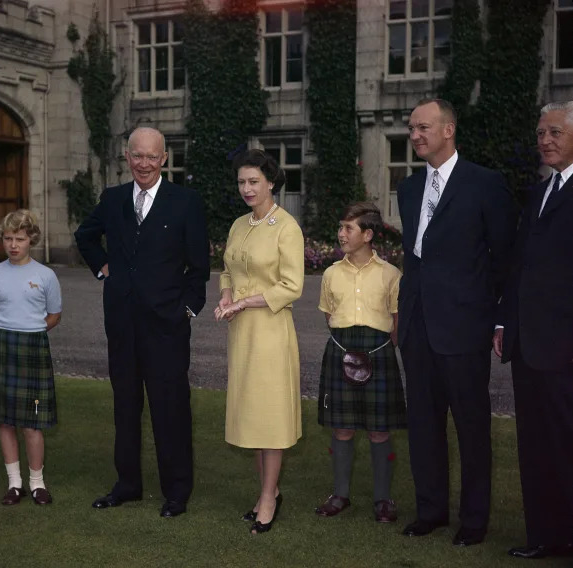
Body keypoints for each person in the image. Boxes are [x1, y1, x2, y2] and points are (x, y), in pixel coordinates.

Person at [397, 99, 517, 546]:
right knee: (424, 425)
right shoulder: (408, 189)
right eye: (411, 129)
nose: (415, 136)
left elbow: (505, 258)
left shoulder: (484, 184)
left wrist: (498, 317)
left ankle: (474, 519)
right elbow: (415, 258)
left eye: (422, 127)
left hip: (464, 328)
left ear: (448, 130)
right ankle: (430, 510)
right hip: (418, 327)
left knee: (471, 427)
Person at [75, 127, 209, 518]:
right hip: (122, 323)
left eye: (152, 157)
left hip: (167, 325)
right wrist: (103, 269)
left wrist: (186, 309)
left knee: (170, 409)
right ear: (127, 157)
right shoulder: (113, 199)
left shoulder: (185, 202)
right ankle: (127, 485)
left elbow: (199, 267)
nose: (145, 164)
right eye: (138, 156)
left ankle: (176, 492)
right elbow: (86, 236)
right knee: (125, 406)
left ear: (164, 158)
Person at [494, 101, 573, 560]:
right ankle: (545, 535)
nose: (544, 140)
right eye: (541, 133)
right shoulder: (539, 193)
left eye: (555, 132)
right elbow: (518, 266)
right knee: (535, 444)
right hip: (528, 346)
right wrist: (504, 319)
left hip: (564, 347)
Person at [215, 149, 304, 534]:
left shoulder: (287, 227)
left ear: (271, 182)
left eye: (254, 181)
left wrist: (244, 302)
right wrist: (225, 295)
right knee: (252, 415)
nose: (247, 188)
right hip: (242, 333)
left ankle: (268, 498)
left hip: (269, 330)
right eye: (241, 182)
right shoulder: (238, 224)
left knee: (270, 416)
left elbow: (292, 286)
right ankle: (270, 489)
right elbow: (227, 269)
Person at [313, 202, 406, 524]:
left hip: (379, 352)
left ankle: (383, 499)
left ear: (367, 235)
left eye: (348, 228)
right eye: (340, 227)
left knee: (379, 430)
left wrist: (376, 348)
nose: (341, 234)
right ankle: (340, 495)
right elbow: (329, 314)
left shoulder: (391, 275)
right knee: (342, 428)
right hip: (340, 349)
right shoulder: (330, 274)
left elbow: (397, 321)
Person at [0, 209, 62, 506]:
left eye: (19, 239)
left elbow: (54, 315)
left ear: (31, 239)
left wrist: (31, 330)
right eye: (8, 238)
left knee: (32, 422)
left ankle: (37, 484)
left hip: (32, 348)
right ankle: (15, 484)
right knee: (5, 420)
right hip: (1, 346)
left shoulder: (46, 275)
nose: (13, 245)